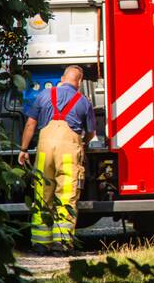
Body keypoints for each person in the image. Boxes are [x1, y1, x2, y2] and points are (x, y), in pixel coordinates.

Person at [17, 65, 95, 255]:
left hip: (44, 149)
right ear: (79, 82)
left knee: (43, 194)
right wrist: (81, 143)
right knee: (66, 195)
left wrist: (24, 149)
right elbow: (91, 133)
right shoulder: (84, 101)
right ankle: (61, 244)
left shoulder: (43, 96)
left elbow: (30, 124)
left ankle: (40, 243)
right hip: (68, 151)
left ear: (62, 78)